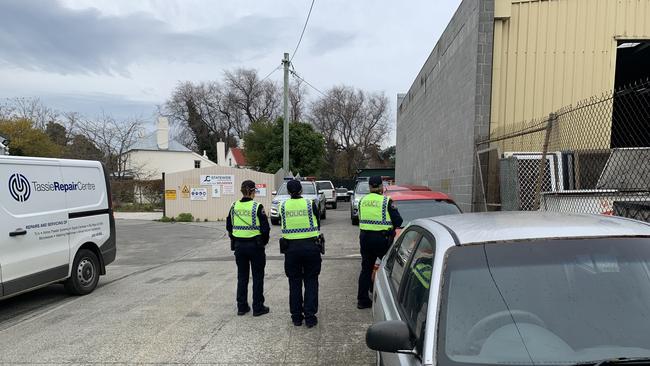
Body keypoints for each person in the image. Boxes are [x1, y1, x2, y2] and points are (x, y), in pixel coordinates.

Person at [280, 179, 323, 328]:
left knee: (294, 282)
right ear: (301, 191)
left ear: (288, 192)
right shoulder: (310, 204)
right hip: (310, 247)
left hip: (291, 249)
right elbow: (318, 221)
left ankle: (296, 317)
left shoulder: (283, 205)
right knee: (311, 281)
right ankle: (310, 318)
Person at [356, 175, 403, 309]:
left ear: (370, 187)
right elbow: (398, 221)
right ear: (381, 186)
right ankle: (390, 300)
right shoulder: (387, 201)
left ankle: (362, 300)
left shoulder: (362, 201)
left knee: (366, 269)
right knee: (389, 268)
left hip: (365, 238)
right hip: (382, 239)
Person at [226, 180, 271, 316]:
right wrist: (263, 242)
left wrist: (235, 239)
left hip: (239, 246)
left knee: (242, 276)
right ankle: (258, 307)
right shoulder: (257, 207)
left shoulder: (234, 206)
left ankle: (242, 306)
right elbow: (265, 229)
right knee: (258, 277)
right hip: (255, 246)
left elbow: (229, 226)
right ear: (252, 191)